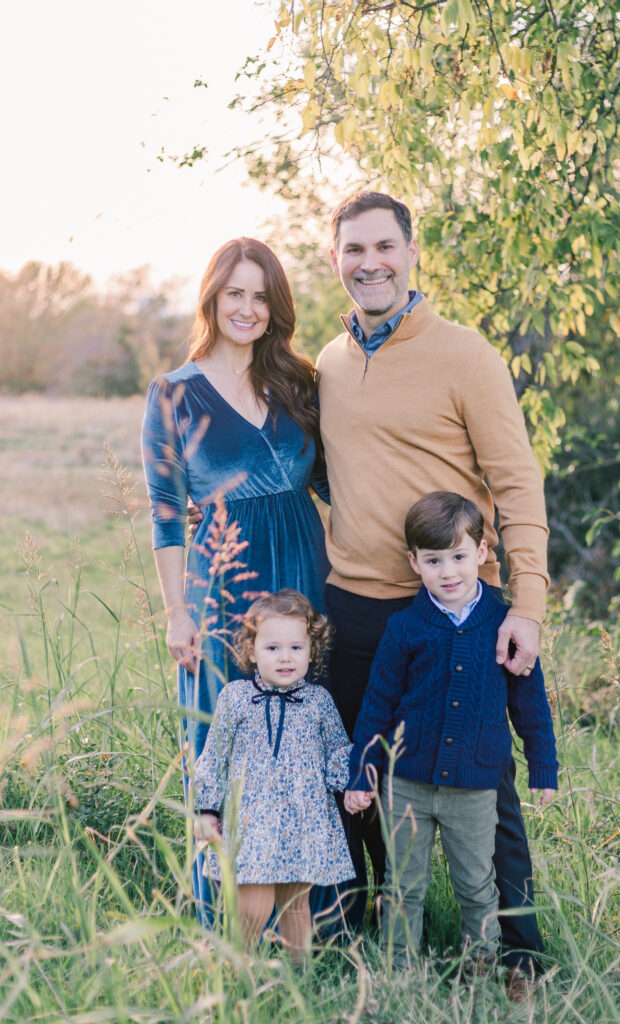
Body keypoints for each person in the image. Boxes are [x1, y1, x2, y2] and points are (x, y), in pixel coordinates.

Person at [317, 191, 551, 977]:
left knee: (486, 780)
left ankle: (517, 949)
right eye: (354, 249)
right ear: (335, 260)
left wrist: (527, 605)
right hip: (353, 609)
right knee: (361, 778)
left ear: (411, 253)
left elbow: (516, 482)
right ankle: (375, 932)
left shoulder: (464, 355)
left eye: (384, 246)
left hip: (455, 608)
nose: (369, 262)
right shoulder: (328, 361)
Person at [141, 238, 329, 920]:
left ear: (274, 307)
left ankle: (315, 917)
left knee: (303, 732)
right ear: (212, 298)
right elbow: (166, 518)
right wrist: (174, 612)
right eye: (235, 294)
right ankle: (223, 914)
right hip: (221, 580)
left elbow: (340, 484)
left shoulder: (299, 383)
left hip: (305, 568)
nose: (247, 308)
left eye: (260, 296)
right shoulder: (173, 395)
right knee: (225, 739)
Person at [344, 493, 558, 987]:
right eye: (434, 560)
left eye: (459, 557)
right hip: (408, 787)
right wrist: (363, 772)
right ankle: (400, 971)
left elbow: (531, 706)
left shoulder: (503, 625)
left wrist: (542, 766)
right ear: (414, 562)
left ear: (483, 552)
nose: (448, 572)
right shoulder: (404, 628)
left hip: (475, 789)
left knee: (477, 886)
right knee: (404, 886)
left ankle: (479, 968)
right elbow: (377, 705)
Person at [193, 590, 354, 958]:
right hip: (252, 823)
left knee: (296, 907)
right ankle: (236, 972)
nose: (285, 657)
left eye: (296, 648)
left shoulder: (318, 701)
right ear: (251, 651)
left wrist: (357, 777)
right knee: (252, 906)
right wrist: (206, 809)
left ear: (311, 651)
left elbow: (338, 754)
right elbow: (214, 756)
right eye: (272, 648)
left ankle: (299, 980)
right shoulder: (235, 697)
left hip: (303, 822)